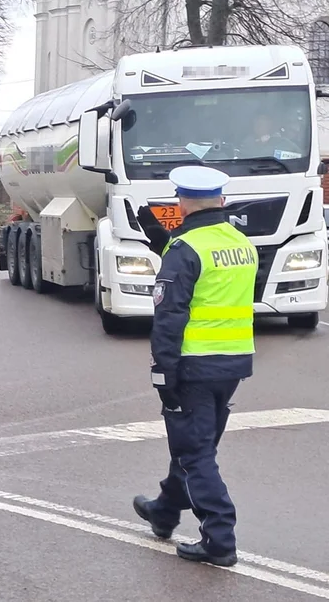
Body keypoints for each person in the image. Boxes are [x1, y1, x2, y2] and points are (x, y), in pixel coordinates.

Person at [131, 165, 257, 568]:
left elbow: (170, 316)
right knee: (194, 443)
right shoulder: (241, 243)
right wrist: (162, 242)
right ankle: (165, 511)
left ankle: (219, 537)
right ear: (221, 201)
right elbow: (210, 280)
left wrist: (162, 374)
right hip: (234, 362)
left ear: (181, 203)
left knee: (195, 451)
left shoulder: (185, 250)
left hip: (193, 366)